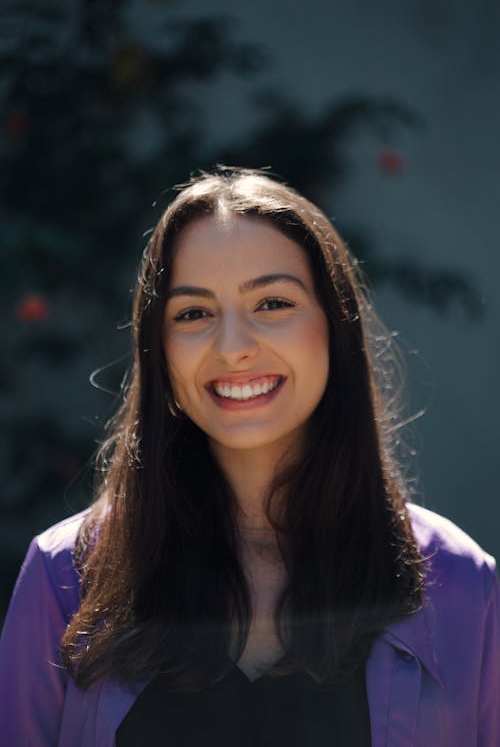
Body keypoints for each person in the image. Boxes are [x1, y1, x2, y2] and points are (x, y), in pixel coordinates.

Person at [0, 167, 498, 746]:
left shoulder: (459, 582)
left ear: (334, 328)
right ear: (158, 350)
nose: (233, 348)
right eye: (193, 313)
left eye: (273, 303)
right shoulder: (64, 577)